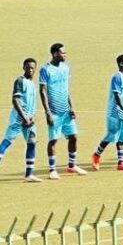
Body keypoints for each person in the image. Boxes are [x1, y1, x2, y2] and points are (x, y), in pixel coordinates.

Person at [0, 58, 41, 186]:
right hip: (18, 119)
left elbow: (31, 103)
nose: (30, 70)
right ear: (23, 68)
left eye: (33, 68)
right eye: (28, 67)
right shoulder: (20, 81)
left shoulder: (32, 83)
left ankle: (29, 174)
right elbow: (15, 100)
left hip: (29, 121)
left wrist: (32, 117)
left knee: (32, 143)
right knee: (7, 142)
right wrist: (24, 117)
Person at [39, 42, 86, 178]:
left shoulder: (66, 68)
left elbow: (66, 88)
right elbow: (42, 91)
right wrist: (48, 112)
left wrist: (71, 107)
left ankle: (72, 165)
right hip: (54, 112)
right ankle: (52, 170)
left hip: (66, 111)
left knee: (73, 137)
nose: (65, 54)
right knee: (53, 140)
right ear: (55, 54)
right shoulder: (45, 70)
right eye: (62, 52)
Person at [91, 54, 123, 171]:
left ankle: (121, 163)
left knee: (122, 138)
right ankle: (96, 155)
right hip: (115, 113)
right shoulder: (117, 77)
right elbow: (117, 97)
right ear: (121, 64)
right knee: (111, 135)